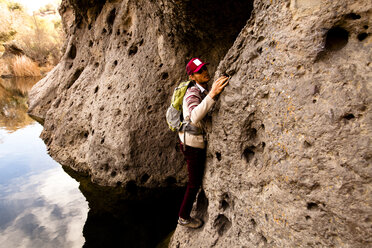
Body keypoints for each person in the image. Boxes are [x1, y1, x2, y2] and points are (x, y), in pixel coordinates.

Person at [177, 58, 229, 228]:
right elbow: (194, 116)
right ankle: (183, 217)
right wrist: (213, 94)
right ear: (192, 77)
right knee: (193, 184)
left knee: (195, 179)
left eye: (204, 68)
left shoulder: (201, 89)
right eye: (199, 71)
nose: (205, 72)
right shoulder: (192, 93)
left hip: (191, 141)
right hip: (192, 145)